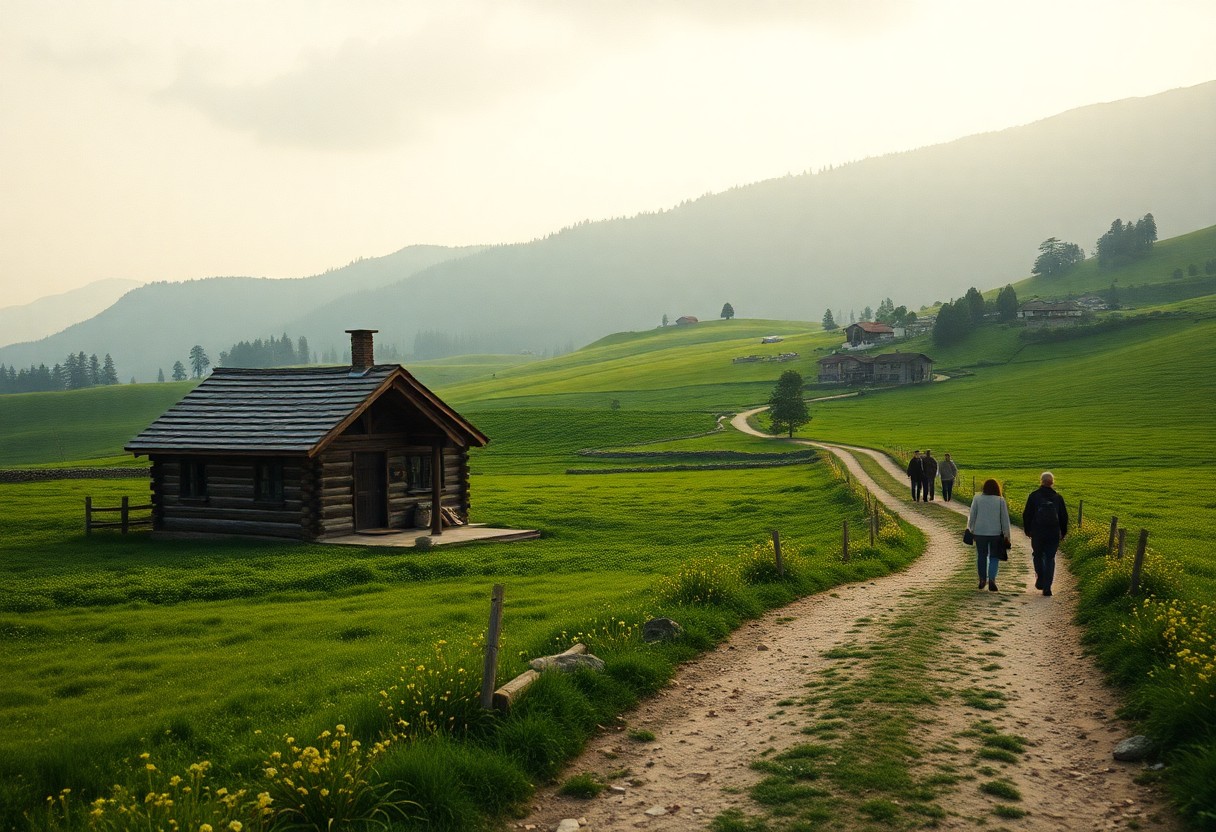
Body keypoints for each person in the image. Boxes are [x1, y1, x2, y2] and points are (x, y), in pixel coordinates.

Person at [1023, 471, 1068, 596]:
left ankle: (1041, 577)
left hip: (1037, 532)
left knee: (1037, 555)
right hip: (1053, 532)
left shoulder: (1034, 496)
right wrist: (1063, 532)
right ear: (1052, 482)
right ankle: (1047, 587)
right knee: (1050, 558)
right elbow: (1063, 516)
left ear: (1041, 481)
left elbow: (1027, 514)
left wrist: (1027, 530)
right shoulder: (1058, 497)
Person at [968, 478, 1011, 591]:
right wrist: (1007, 535)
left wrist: (970, 529)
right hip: (995, 533)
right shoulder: (1000, 500)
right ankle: (992, 579)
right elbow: (1005, 520)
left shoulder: (977, 498)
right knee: (994, 556)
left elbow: (972, 515)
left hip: (980, 532)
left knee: (981, 555)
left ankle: (982, 578)